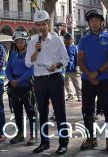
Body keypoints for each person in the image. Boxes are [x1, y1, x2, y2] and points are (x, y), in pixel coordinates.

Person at [25, 10, 69, 155]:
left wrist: (56, 65)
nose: (41, 27)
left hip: (55, 79)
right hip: (39, 81)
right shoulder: (32, 41)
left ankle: (63, 143)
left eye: (43, 24)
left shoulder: (57, 39)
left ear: (48, 25)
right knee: (42, 113)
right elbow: (27, 63)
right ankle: (45, 143)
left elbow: (66, 59)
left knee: (59, 112)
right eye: (38, 25)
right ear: (35, 26)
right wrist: (36, 52)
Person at [77, 8, 108, 153]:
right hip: (87, 80)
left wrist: (97, 72)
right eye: (91, 21)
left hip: (104, 79)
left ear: (102, 22)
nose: (94, 23)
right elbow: (80, 59)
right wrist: (89, 74)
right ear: (89, 23)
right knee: (87, 110)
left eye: (96, 21)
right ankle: (91, 138)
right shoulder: (83, 39)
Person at [6, 31, 37, 146]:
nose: (19, 43)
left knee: (31, 111)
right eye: (17, 41)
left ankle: (33, 135)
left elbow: (31, 70)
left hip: (27, 87)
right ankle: (20, 134)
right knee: (17, 112)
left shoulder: (31, 54)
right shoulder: (12, 53)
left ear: (26, 41)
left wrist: (18, 81)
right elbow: (7, 69)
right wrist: (11, 80)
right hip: (14, 88)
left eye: (22, 41)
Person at [63, 32, 82, 101]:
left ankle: (79, 96)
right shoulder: (63, 47)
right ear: (65, 39)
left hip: (73, 69)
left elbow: (77, 58)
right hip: (65, 69)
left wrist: (77, 67)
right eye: (68, 39)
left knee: (76, 82)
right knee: (66, 82)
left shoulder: (74, 48)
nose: (70, 40)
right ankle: (70, 95)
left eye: (71, 39)